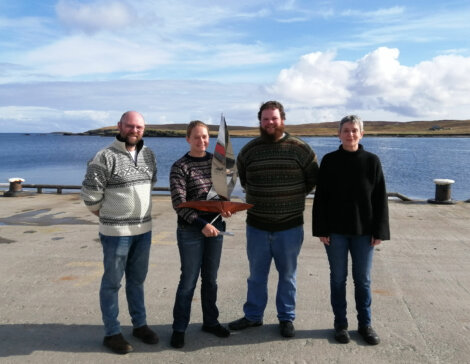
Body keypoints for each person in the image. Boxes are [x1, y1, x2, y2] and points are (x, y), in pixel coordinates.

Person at [229, 101, 319, 338]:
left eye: (274, 118)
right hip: (257, 226)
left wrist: (289, 197)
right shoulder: (249, 151)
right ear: (260, 121)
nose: (270, 123)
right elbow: (245, 182)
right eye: (266, 119)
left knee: (287, 276)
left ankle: (286, 318)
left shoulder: (301, 149)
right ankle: (253, 316)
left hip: (289, 227)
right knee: (256, 276)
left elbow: (312, 181)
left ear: (283, 120)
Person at [81, 111, 158, 354]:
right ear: (120, 126)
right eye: (130, 126)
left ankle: (140, 325)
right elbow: (90, 196)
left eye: (140, 127)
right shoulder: (103, 157)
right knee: (112, 283)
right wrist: (108, 217)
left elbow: (150, 184)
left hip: (144, 230)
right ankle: (112, 333)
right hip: (116, 233)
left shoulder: (149, 155)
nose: (135, 131)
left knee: (137, 281)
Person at [312, 115, 390, 345]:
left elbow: (380, 199)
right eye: (346, 130)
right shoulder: (329, 161)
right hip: (335, 233)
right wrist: (321, 229)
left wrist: (380, 231)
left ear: (361, 134)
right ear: (339, 134)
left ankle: (365, 324)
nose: (350, 134)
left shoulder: (372, 161)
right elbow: (321, 199)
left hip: (364, 233)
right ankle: (340, 325)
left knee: (363, 280)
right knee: (338, 279)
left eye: (354, 130)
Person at [169, 120, 232, 349]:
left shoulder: (218, 164)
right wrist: (200, 224)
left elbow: (223, 195)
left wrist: (226, 208)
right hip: (190, 231)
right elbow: (179, 204)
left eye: (205, 136)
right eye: (196, 137)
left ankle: (211, 321)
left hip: (216, 228)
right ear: (188, 139)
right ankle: (179, 327)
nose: (202, 141)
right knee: (188, 280)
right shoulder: (180, 166)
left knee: (211, 279)